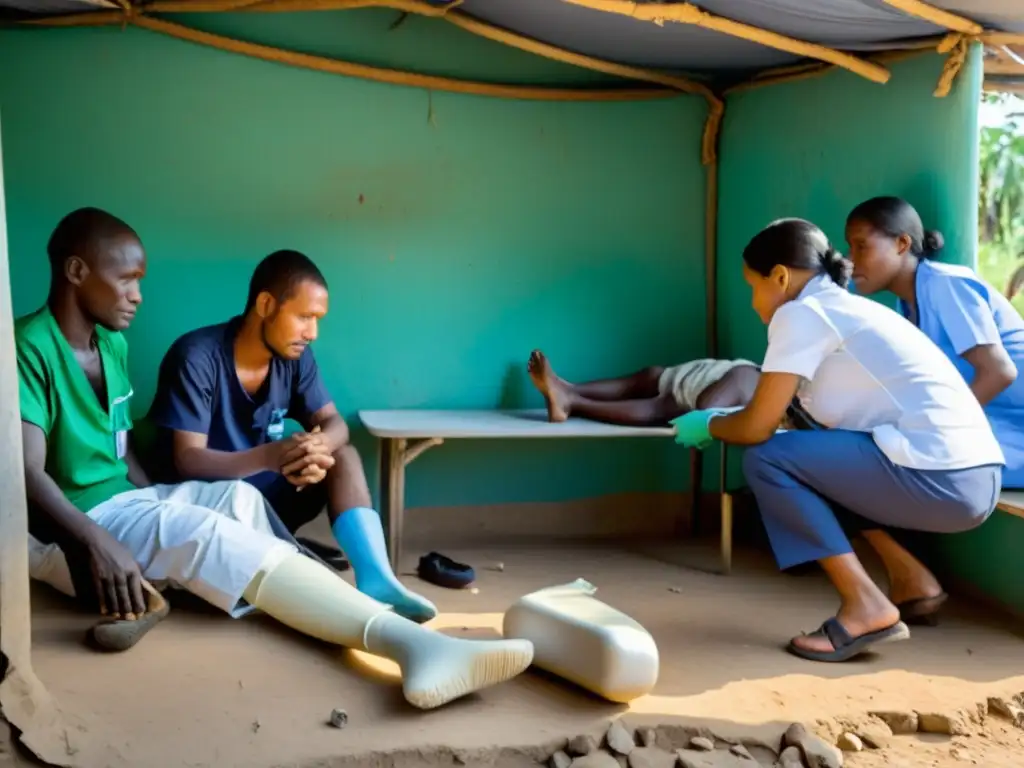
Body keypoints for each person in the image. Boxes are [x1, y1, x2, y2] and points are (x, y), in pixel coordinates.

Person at [21, 208, 533, 708]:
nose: (138, 296)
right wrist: (98, 542)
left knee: (238, 502)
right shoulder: (28, 347)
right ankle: (416, 648)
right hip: (80, 523)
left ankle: (343, 592)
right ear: (75, 271)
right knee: (206, 532)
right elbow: (24, 470)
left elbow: (121, 445)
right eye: (127, 280)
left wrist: (153, 499)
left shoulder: (110, 345)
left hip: (126, 502)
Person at [673, 218, 1002, 663]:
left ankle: (866, 605)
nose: (753, 303)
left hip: (941, 477)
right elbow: (800, 423)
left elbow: (757, 430)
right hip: (976, 475)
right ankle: (912, 580)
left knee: (767, 459)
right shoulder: (849, 309)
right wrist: (727, 417)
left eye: (754, 287)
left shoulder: (801, 313)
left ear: (781, 277)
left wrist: (709, 426)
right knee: (812, 448)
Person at [145, 250, 437, 623]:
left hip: (267, 496)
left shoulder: (296, 358)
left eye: (317, 320)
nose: (312, 333)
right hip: (208, 503)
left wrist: (317, 446)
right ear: (266, 304)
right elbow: (188, 458)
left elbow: (336, 425)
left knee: (341, 455)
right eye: (304, 317)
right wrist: (272, 456)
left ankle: (376, 579)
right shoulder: (196, 356)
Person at [846, 196, 1024, 489]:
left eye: (861, 246)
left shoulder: (945, 284)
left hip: (1014, 432)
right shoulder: (906, 307)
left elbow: (1000, 372)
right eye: (849, 248)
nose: (851, 260)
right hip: (992, 428)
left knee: (891, 463)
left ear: (902, 244)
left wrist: (935, 427)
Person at [526, 350, 759, 427]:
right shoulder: (763, 375)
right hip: (693, 375)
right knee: (650, 376)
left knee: (659, 408)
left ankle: (572, 402)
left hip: (695, 391)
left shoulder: (749, 381)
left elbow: (706, 410)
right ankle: (569, 390)